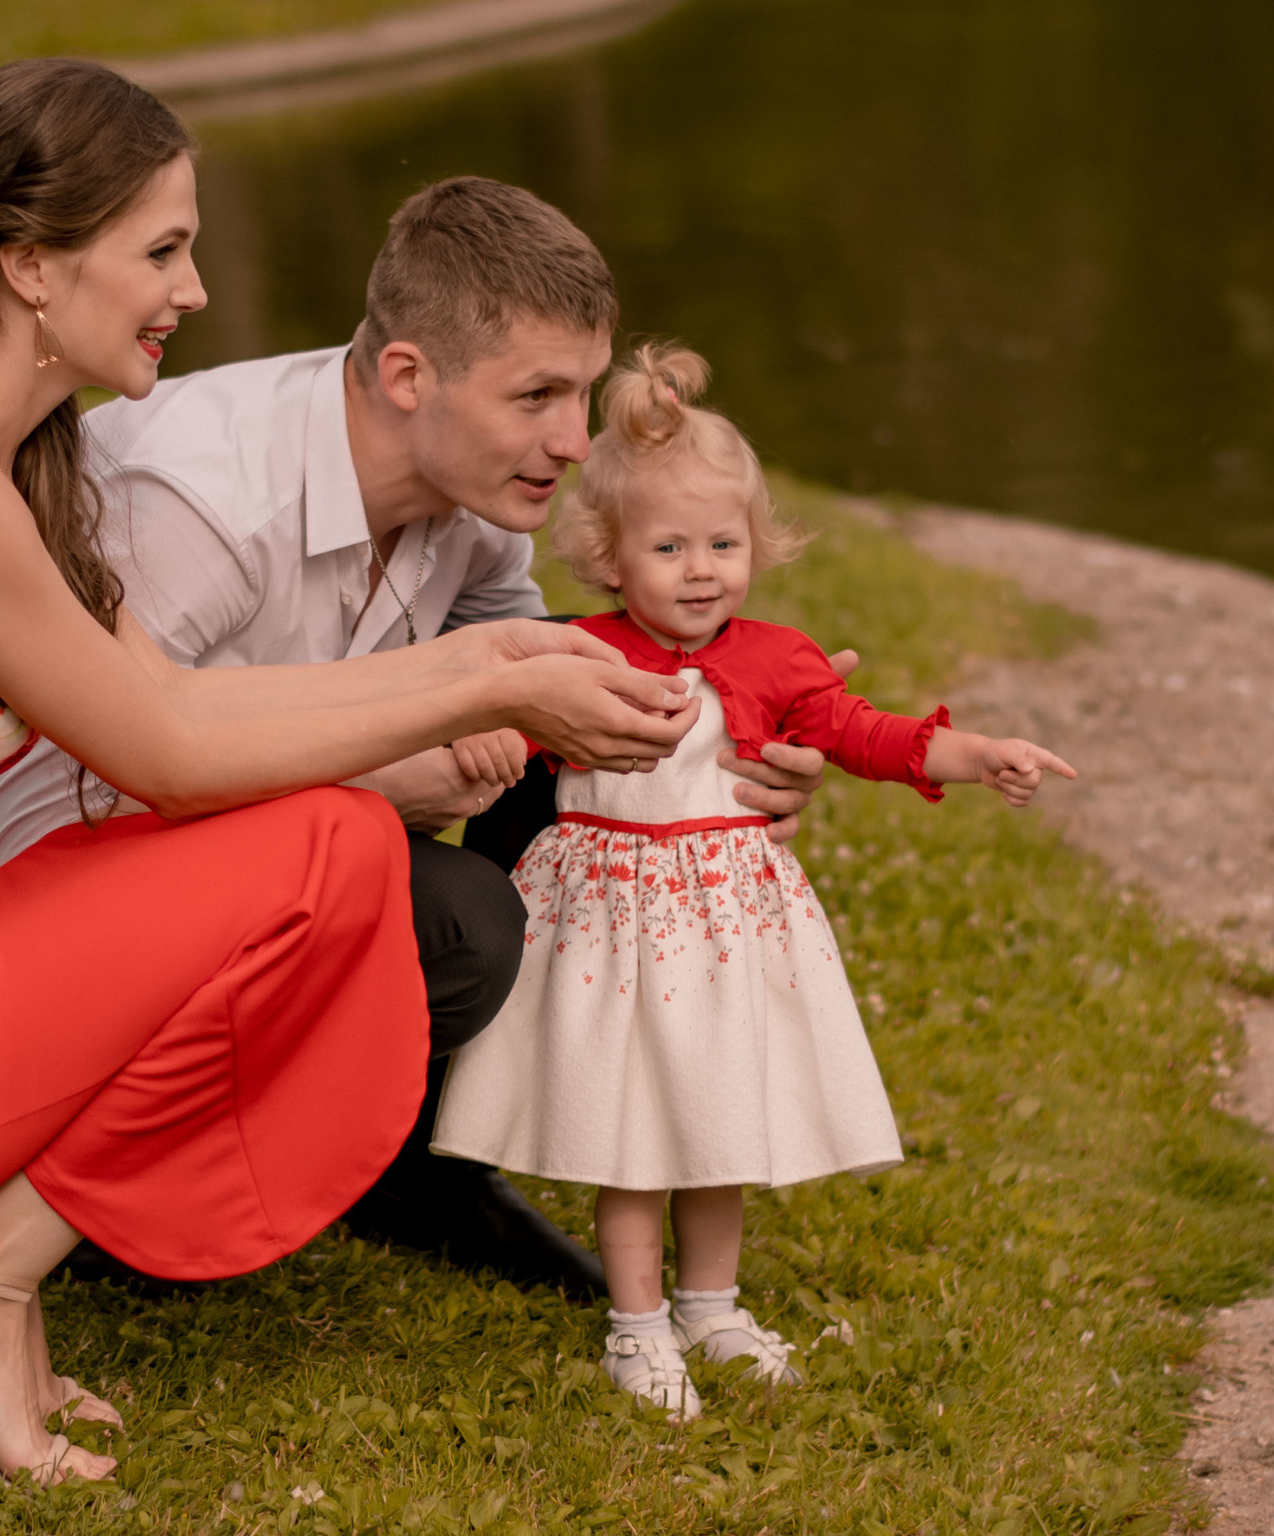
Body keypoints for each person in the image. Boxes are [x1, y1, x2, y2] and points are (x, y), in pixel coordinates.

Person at [0, 61, 698, 1489]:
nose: (193, 290)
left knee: (336, 845)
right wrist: (491, 673)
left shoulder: (10, 454)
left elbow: (170, 702)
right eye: (159, 250)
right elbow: (169, 750)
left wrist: (506, 664)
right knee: (322, 848)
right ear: (31, 267)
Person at [0, 178, 835, 1297]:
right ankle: (94, 1183)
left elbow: (530, 669)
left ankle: (413, 1164)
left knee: (585, 675)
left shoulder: (472, 496)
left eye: (580, 396)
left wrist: (725, 743)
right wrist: (386, 774)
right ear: (407, 376)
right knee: (465, 914)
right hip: (50, 917)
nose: (573, 442)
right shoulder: (198, 503)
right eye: (537, 397)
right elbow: (78, 794)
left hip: (247, 844)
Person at [430, 344, 1076, 1418]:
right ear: (608, 554)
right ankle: (636, 1328)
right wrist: (488, 743)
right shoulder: (574, 652)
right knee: (632, 1130)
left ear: (755, 547)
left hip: (723, 930)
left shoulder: (778, 660)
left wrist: (980, 754)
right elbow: (505, 738)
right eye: (669, 545)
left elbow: (865, 735)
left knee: (713, 1123)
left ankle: (711, 1306)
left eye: (722, 544)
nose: (699, 570)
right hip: (607, 924)